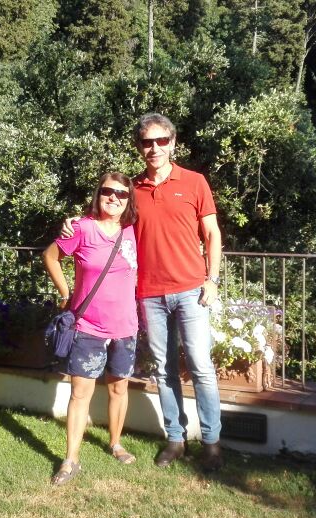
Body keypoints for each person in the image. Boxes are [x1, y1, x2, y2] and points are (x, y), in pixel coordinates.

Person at [62, 113, 224, 471]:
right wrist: (74, 222)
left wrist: (212, 279)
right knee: (164, 370)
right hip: (149, 294)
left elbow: (212, 234)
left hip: (192, 290)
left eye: (161, 140)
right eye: (147, 142)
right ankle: (175, 440)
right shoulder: (132, 189)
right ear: (139, 147)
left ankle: (212, 444)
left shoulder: (194, 182)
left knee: (201, 366)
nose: (155, 148)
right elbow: (106, 217)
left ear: (173, 143)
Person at [43, 172, 140, 486]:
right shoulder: (82, 228)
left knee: (118, 389)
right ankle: (70, 459)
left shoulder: (134, 231)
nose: (114, 198)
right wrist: (64, 293)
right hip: (88, 327)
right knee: (80, 394)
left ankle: (115, 443)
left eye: (122, 194)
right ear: (98, 194)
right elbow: (51, 256)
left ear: (129, 200)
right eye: (108, 191)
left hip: (125, 326)